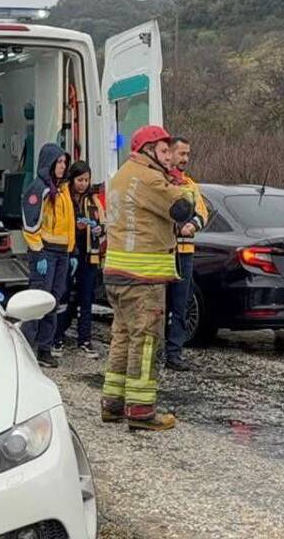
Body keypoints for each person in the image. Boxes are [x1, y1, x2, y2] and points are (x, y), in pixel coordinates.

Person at [101, 125, 196, 431]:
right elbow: (183, 208)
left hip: (116, 273)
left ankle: (113, 405)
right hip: (143, 277)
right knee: (145, 343)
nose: (170, 156)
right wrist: (181, 184)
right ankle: (141, 411)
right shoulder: (150, 178)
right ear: (147, 150)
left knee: (122, 339)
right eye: (165, 150)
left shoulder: (120, 177)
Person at [22, 143, 76, 368]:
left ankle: (45, 348)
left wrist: (72, 251)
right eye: (59, 162)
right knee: (37, 302)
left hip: (61, 254)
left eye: (65, 162)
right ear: (49, 163)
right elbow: (29, 222)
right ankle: (24, 347)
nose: (62, 166)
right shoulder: (40, 189)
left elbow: (69, 224)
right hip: (45, 252)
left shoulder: (62, 190)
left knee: (53, 302)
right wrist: (39, 252)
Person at [164, 136, 209, 371]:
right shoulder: (161, 181)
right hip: (163, 251)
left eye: (188, 154)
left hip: (185, 252)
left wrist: (193, 224)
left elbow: (202, 212)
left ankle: (174, 353)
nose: (185, 159)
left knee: (181, 305)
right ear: (169, 154)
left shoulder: (191, 185)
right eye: (182, 154)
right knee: (158, 305)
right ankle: (154, 352)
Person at [55, 161, 105, 359]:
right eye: (80, 180)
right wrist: (77, 228)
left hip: (88, 255)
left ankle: (85, 340)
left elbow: (103, 221)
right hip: (68, 254)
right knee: (63, 297)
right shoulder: (63, 196)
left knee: (86, 299)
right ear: (72, 179)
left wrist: (99, 228)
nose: (83, 184)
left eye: (86, 180)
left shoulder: (93, 200)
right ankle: (57, 338)